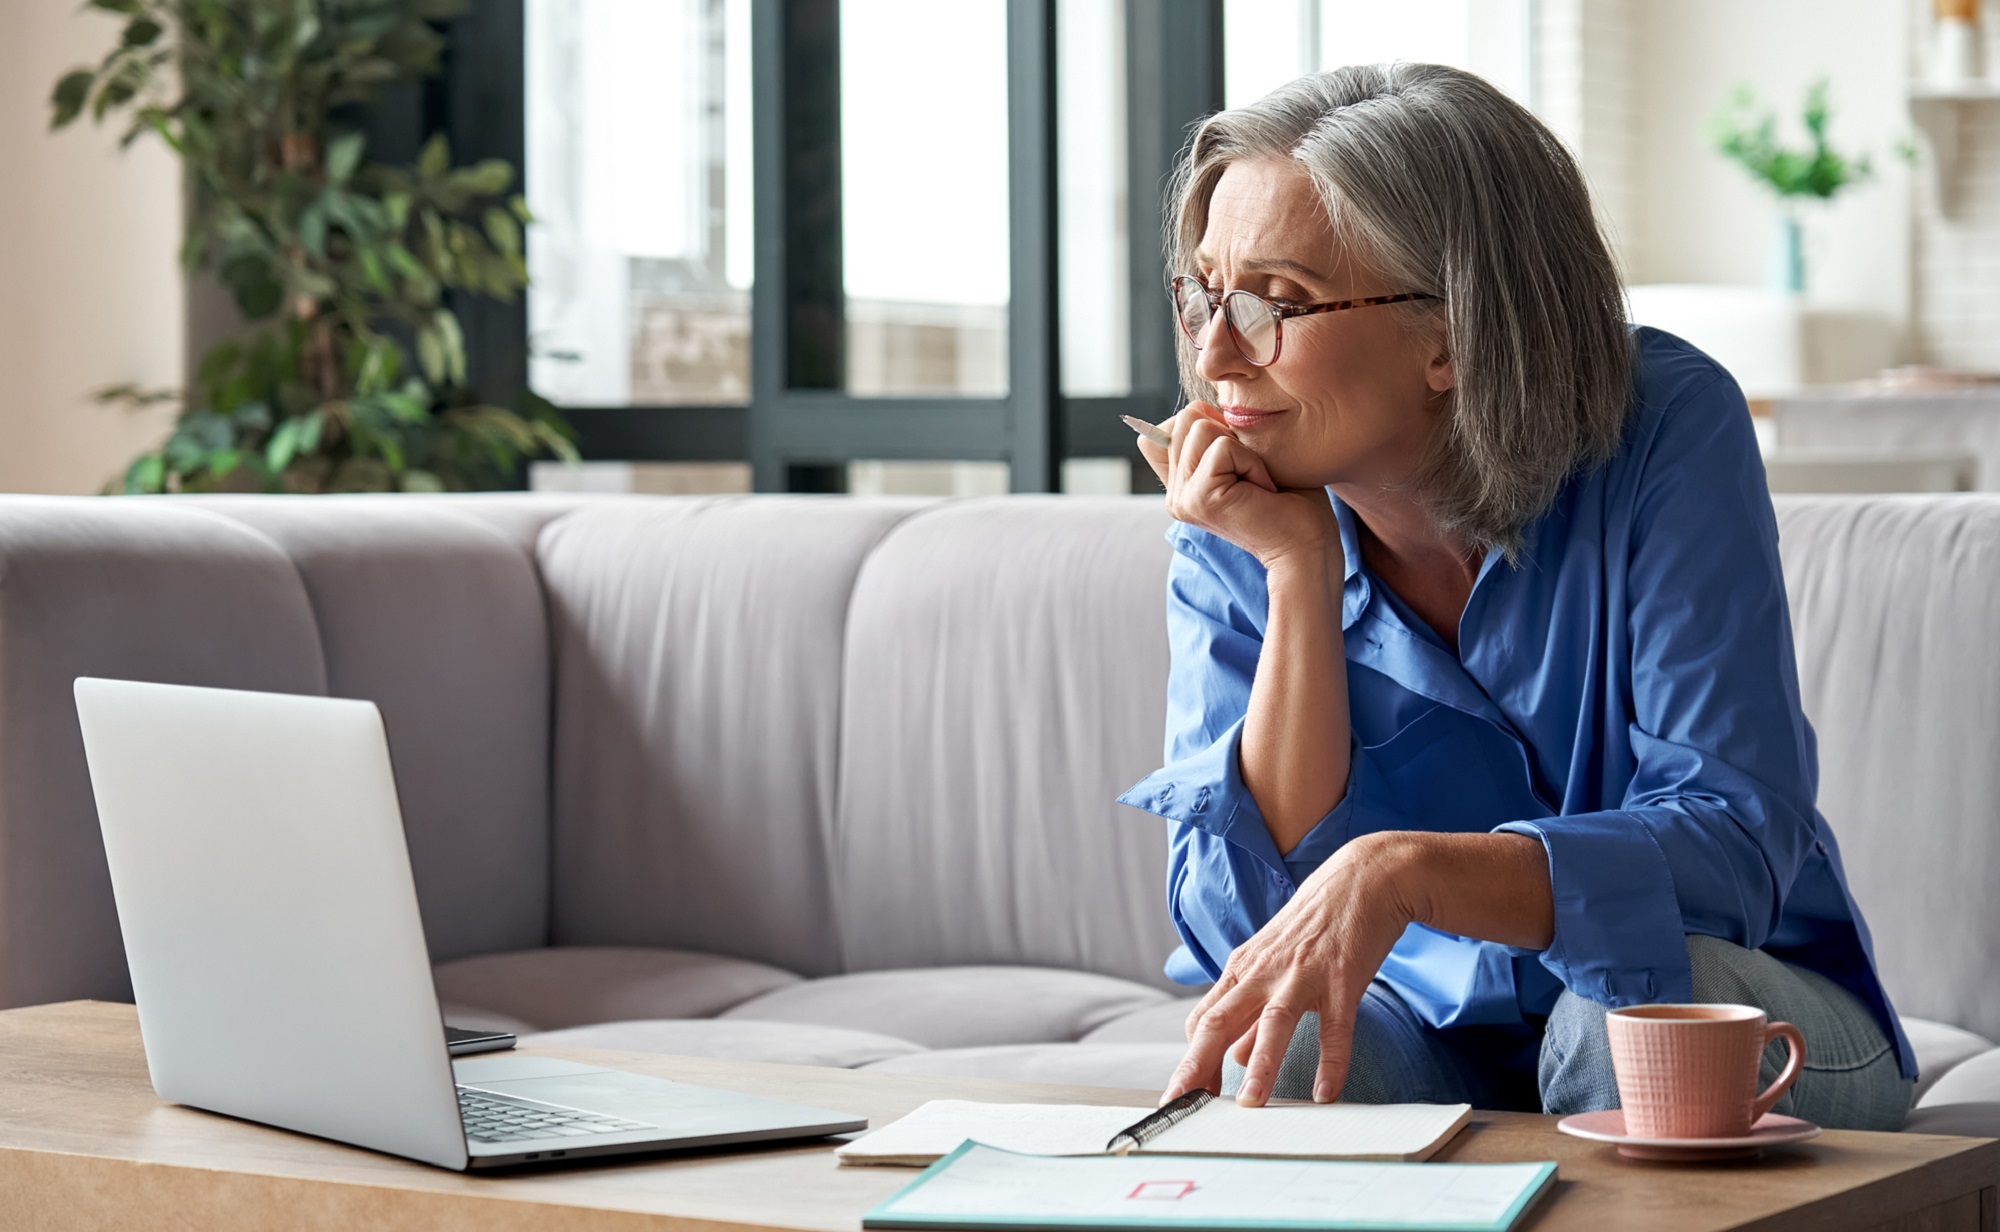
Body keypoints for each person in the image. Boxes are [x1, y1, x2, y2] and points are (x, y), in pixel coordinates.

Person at [1116, 62, 1914, 1130]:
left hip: (1736, 1001)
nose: (1214, 354)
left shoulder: (1664, 428)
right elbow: (1243, 933)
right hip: (1429, 1028)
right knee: (1285, 1044)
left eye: (1275, 302)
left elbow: (1733, 844)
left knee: (1617, 1021)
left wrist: (1406, 872)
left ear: (1449, 333)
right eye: (1201, 293)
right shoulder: (1241, 501)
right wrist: (1296, 576)